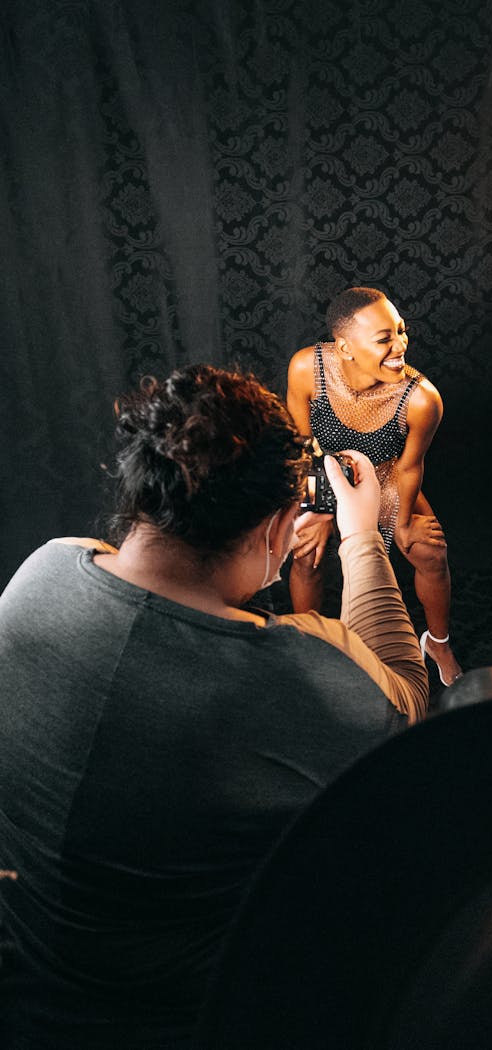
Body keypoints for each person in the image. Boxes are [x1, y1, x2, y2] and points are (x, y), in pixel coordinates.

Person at [0, 364, 428, 1049]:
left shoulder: (41, 572)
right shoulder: (298, 676)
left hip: (25, 979)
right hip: (180, 1017)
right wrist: (360, 537)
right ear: (279, 526)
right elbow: (407, 693)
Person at [287, 286, 462, 686]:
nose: (400, 345)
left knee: (431, 552)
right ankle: (304, 641)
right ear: (345, 347)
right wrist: (319, 509)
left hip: (385, 478)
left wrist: (402, 524)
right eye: (384, 338)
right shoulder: (305, 368)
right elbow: (300, 446)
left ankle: (438, 643)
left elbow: (410, 467)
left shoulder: (422, 399)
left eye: (401, 331)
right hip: (324, 473)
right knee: (305, 553)